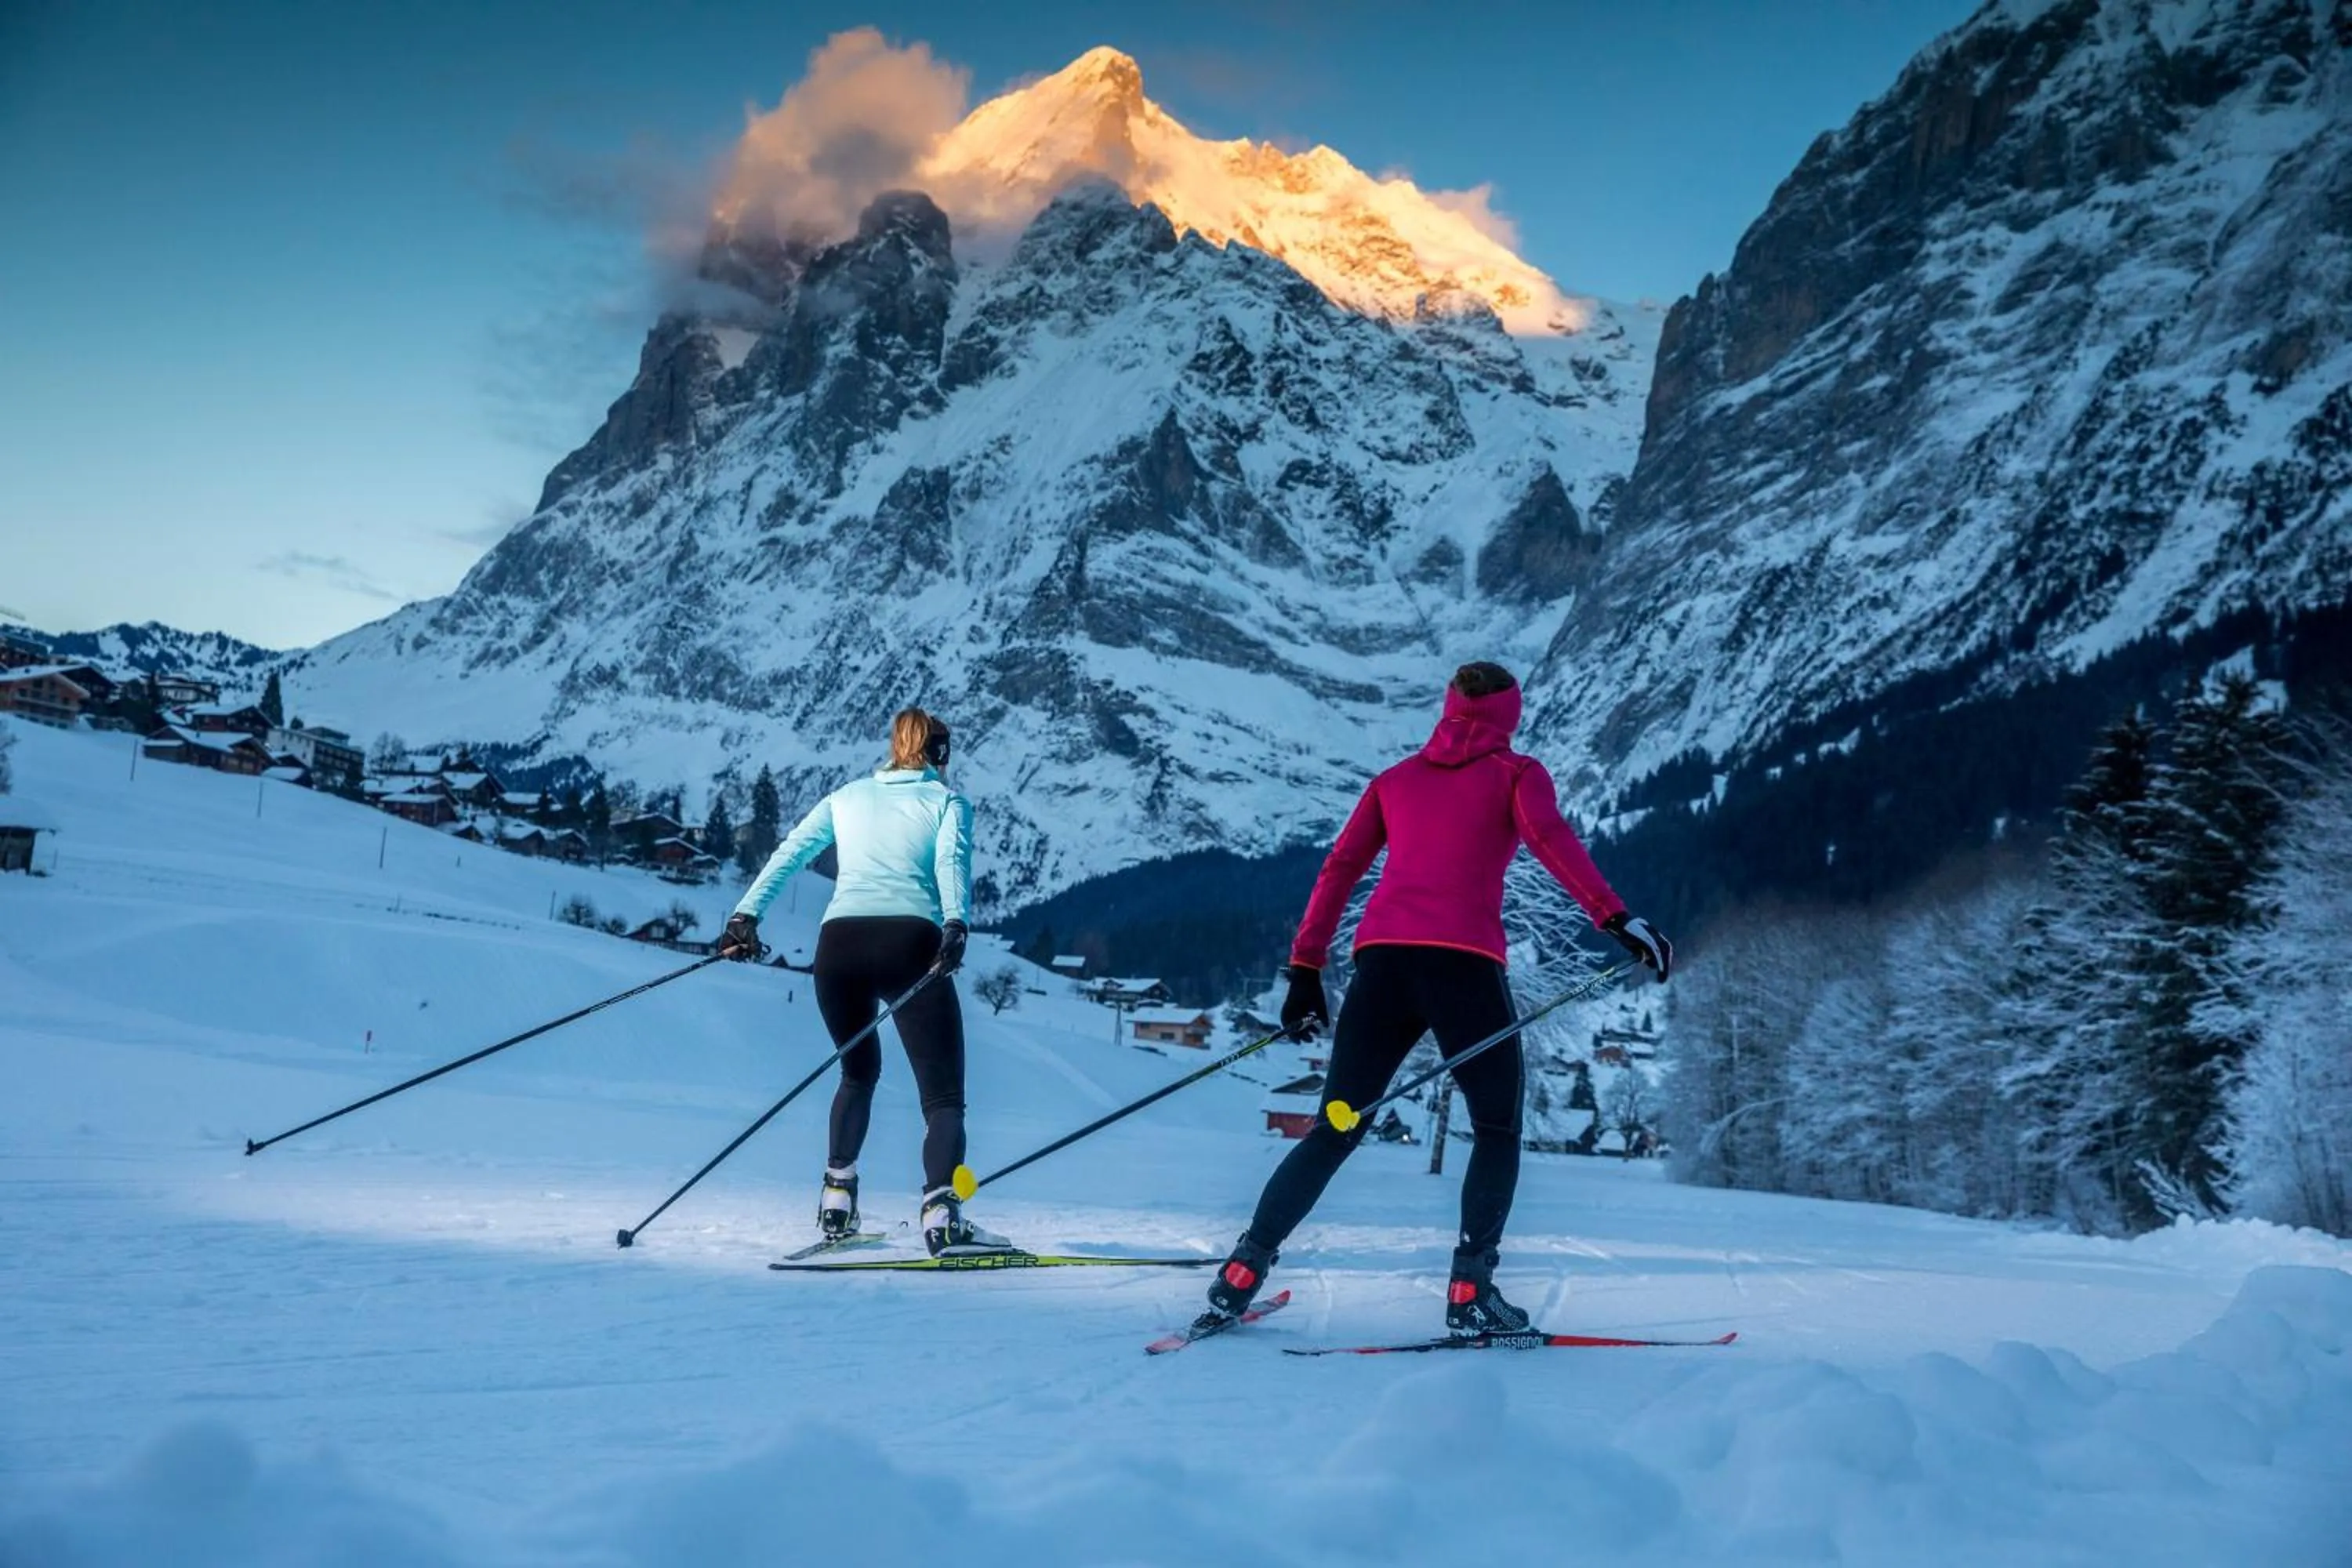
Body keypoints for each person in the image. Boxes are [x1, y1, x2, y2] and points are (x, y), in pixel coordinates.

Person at [1203, 662, 1672, 1334]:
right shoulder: (1517, 773)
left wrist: (1305, 969)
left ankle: (1242, 1272)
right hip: (1464, 972)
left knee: (1336, 1126)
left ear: (1447, 708)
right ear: (1509, 715)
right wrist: (1616, 917)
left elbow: (1339, 869)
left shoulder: (1395, 782)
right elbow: (1549, 839)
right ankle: (1471, 1292)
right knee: (1497, 1128)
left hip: (1381, 970)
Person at [717, 707, 1004, 1257]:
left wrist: (744, 917)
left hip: (839, 948)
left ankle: (836, 1202)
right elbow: (952, 860)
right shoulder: (946, 801)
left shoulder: (846, 797)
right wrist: (955, 925)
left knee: (857, 1072)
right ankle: (942, 1214)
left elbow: (791, 852)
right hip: (910, 946)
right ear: (940, 754)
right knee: (942, 1096)